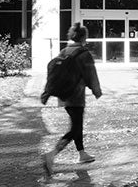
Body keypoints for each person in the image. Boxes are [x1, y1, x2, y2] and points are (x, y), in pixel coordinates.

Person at [42, 23, 102, 176]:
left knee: (77, 124)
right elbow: (91, 74)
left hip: (63, 96)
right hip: (76, 96)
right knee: (75, 128)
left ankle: (82, 153)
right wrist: (97, 91)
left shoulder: (64, 51)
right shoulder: (84, 54)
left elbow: (56, 74)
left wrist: (47, 93)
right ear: (83, 37)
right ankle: (52, 155)